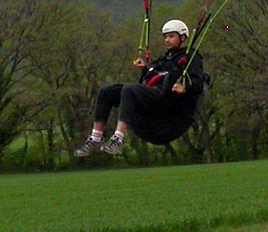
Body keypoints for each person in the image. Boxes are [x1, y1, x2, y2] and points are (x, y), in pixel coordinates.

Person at [74, 19, 205, 157]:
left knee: (130, 89)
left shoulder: (191, 57)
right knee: (106, 92)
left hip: (168, 104)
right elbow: (154, 76)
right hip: (154, 97)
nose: (167, 40)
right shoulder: (165, 58)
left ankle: (118, 139)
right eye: (165, 37)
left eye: (171, 36)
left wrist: (184, 87)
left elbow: (198, 82)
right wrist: (145, 69)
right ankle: (95, 139)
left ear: (182, 37)